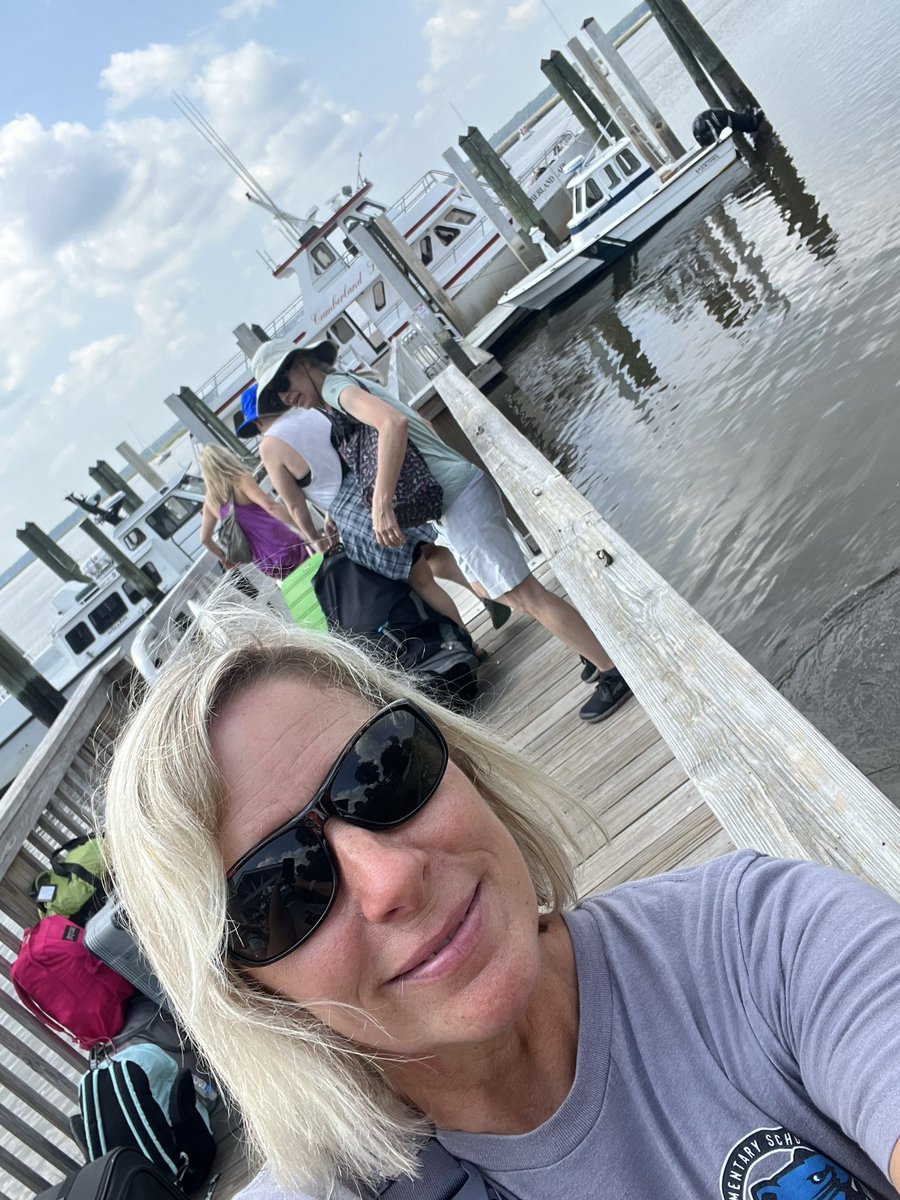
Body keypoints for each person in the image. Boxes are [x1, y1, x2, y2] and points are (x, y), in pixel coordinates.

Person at [105, 608, 900, 1200]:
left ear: (463, 763)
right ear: (250, 992)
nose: (390, 882)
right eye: (279, 890)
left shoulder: (763, 940)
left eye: (381, 771)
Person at [250, 338, 630, 723]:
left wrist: (381, 504)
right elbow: (417, 423)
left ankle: (613, 670)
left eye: (284, 384)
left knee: (524, 594)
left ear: (301, 364)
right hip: (455, 496)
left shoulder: (335, 388)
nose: (284, 397)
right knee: (510, 590)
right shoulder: (342, 388)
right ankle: (592, 647)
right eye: (276, 395)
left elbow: (392, 424)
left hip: (458, 497)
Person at [236, 381, 510, 644]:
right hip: (380, 484)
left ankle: (465, 643)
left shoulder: (269, 446)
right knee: (430, 553)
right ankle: (488, 594)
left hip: (356, 514)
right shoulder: (312, 412)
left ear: (257, 422)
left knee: (419, 580)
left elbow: (294, 504)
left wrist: (315, 540)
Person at [198, 444, 308, 579]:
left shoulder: (210, 502)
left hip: (262, 559)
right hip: (283, 541)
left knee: (299, 589)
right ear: (226, 458)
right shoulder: (239, 480)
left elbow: (204, 539)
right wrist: (301, 527)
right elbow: (270, 506)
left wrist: (224, 558)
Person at [692, 105, 764, 147]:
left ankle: (755, 114)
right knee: (748, 126)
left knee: (748, 125)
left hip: (722, 117)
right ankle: (755, 114)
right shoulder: (704, 125)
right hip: (722, 117)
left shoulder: (701, 128)